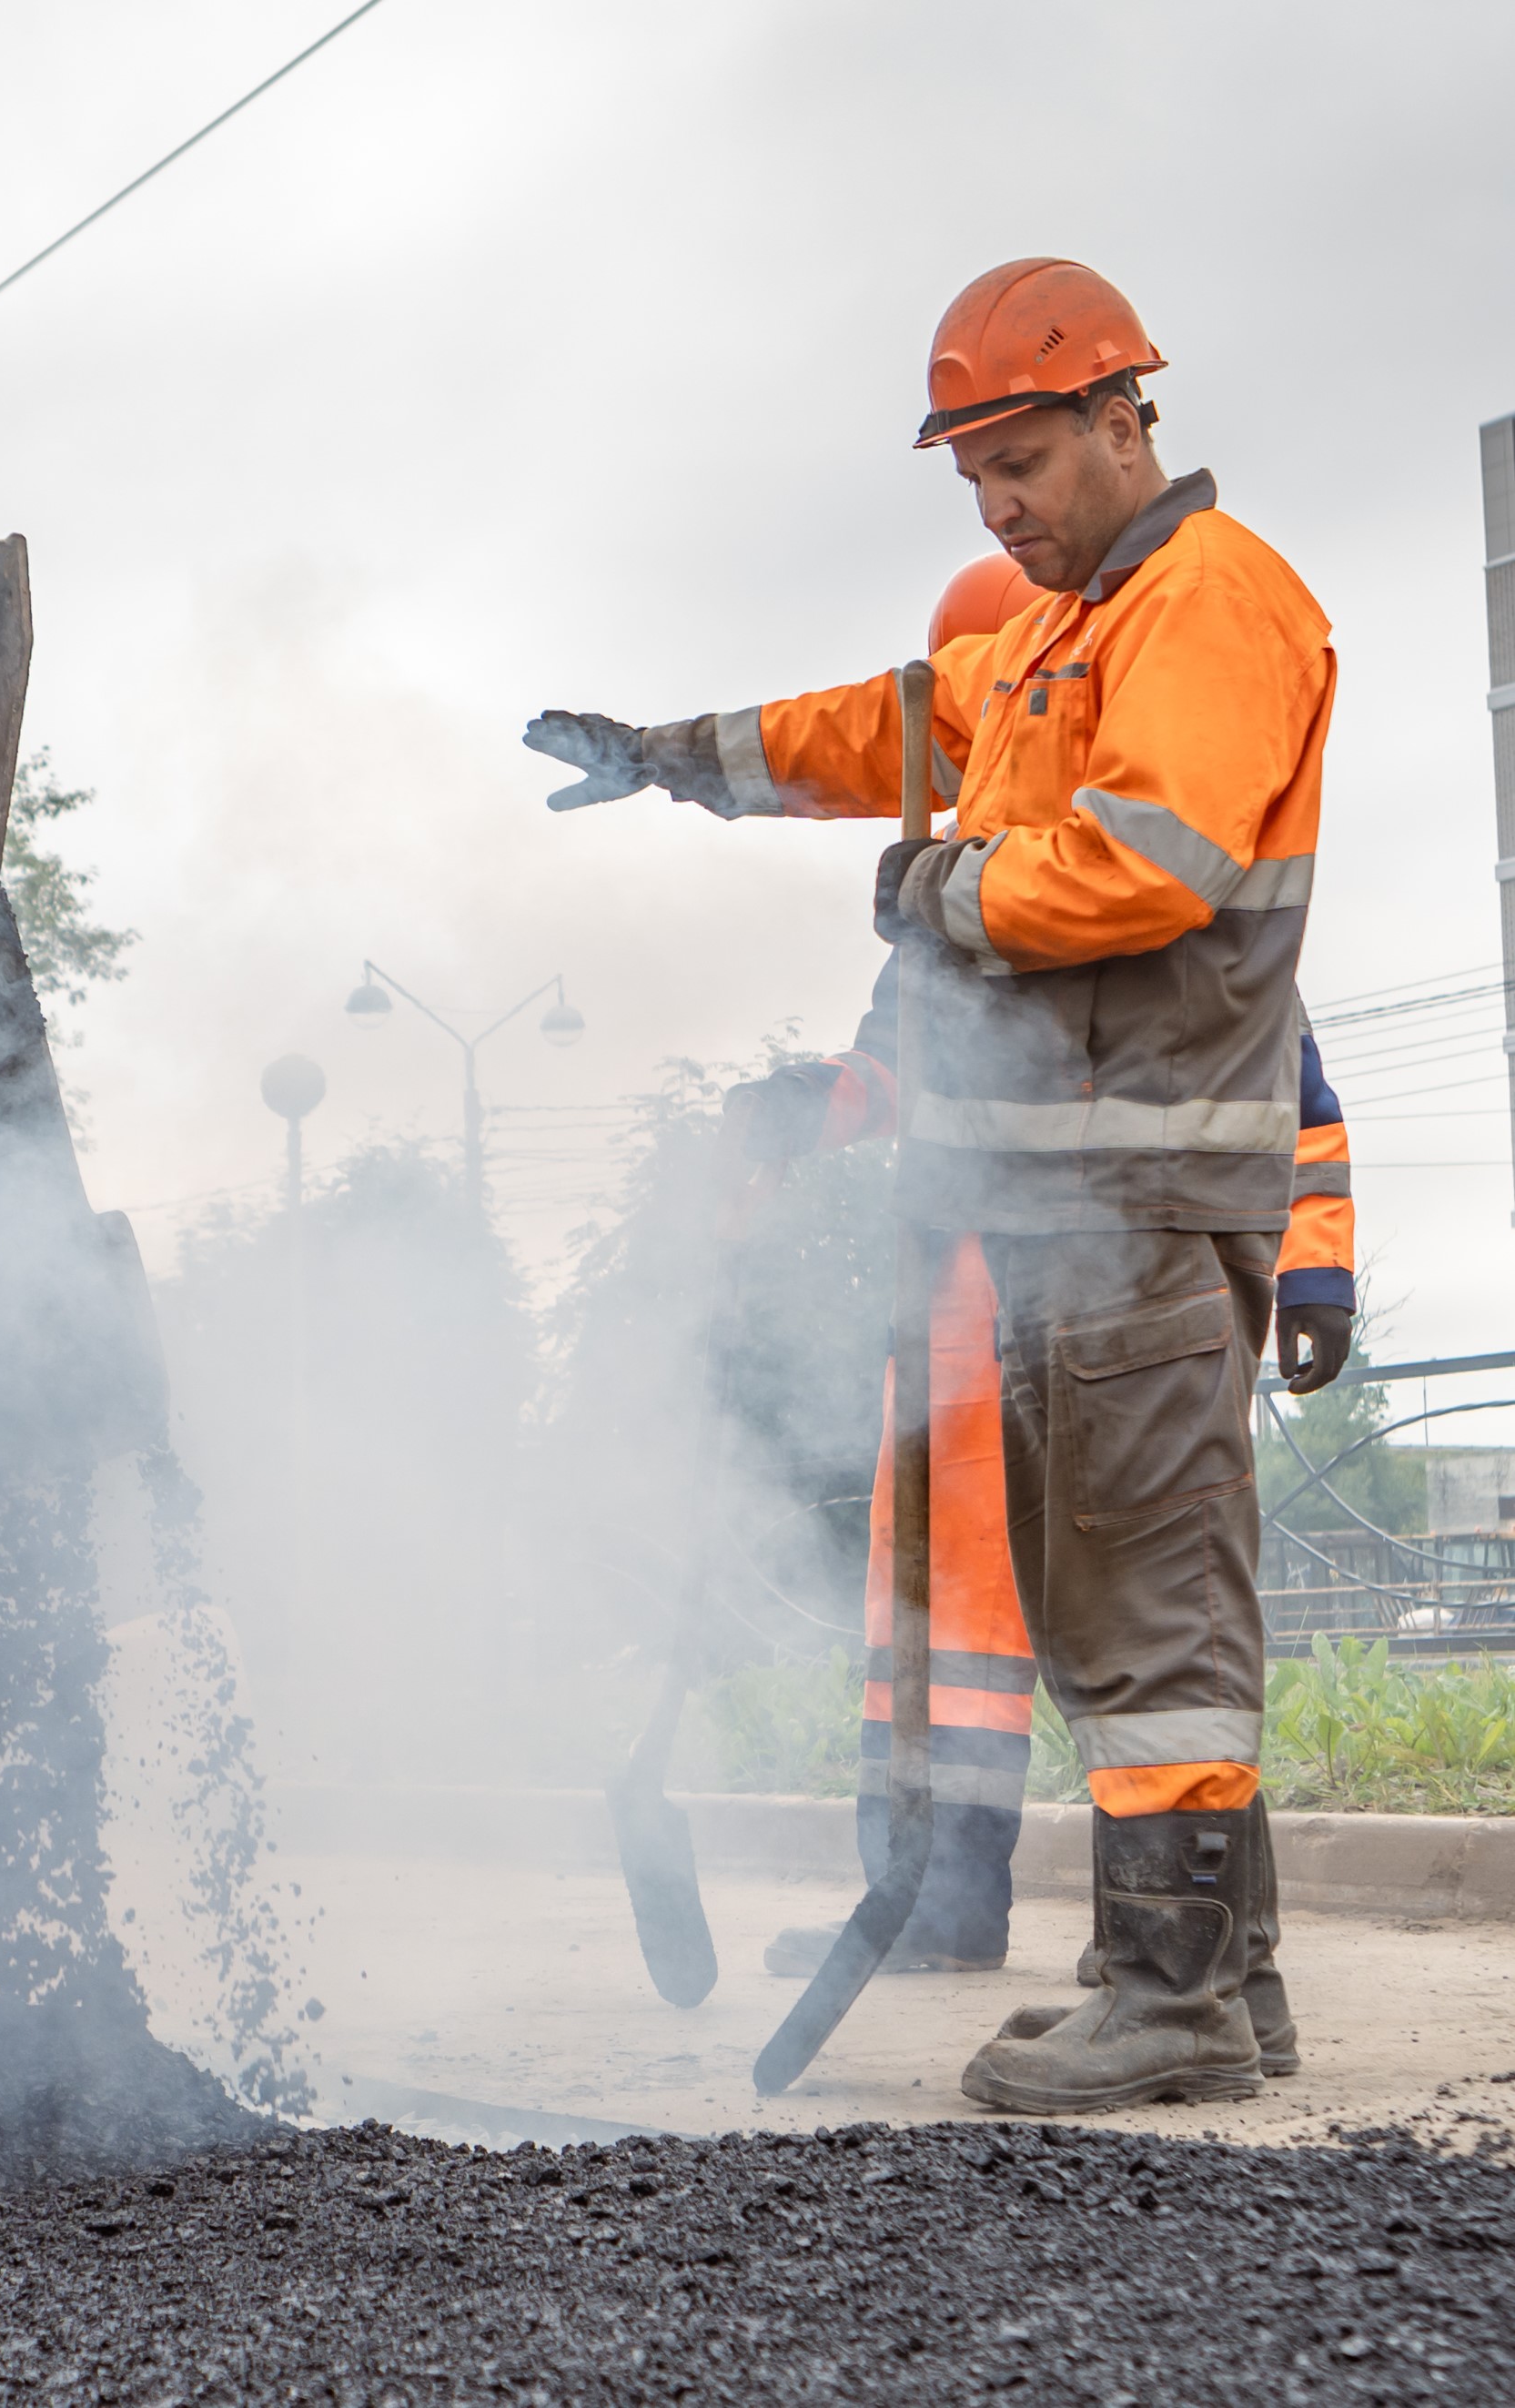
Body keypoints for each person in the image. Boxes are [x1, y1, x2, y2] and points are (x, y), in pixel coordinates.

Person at [530, 259, 1344, 2112]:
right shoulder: (1055, 636)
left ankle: (1178, 1999)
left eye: (1030, 460)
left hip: (1142, 1200)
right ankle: (1231, 1982)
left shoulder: (1211, 603)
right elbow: (869, 729)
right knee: (1118, 1614)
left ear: (1128, 416)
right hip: (1064, 1212)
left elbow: (1151, 863)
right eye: (975, 476)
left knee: (1149, 1617)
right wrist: (673, 761)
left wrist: (941, 895)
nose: (1002, 506)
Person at [730, 548, 1358, 2018]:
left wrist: (1317, 1270)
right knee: (937, 1640)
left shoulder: (1144, 890)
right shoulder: (947, 900)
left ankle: (1190, 1963)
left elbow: (1288, 1103)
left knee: (1134, 1612)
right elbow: (891, 1068)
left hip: (1103, 1285)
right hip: (944, 1302)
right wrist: (807, 1102)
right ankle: (939, 1897)